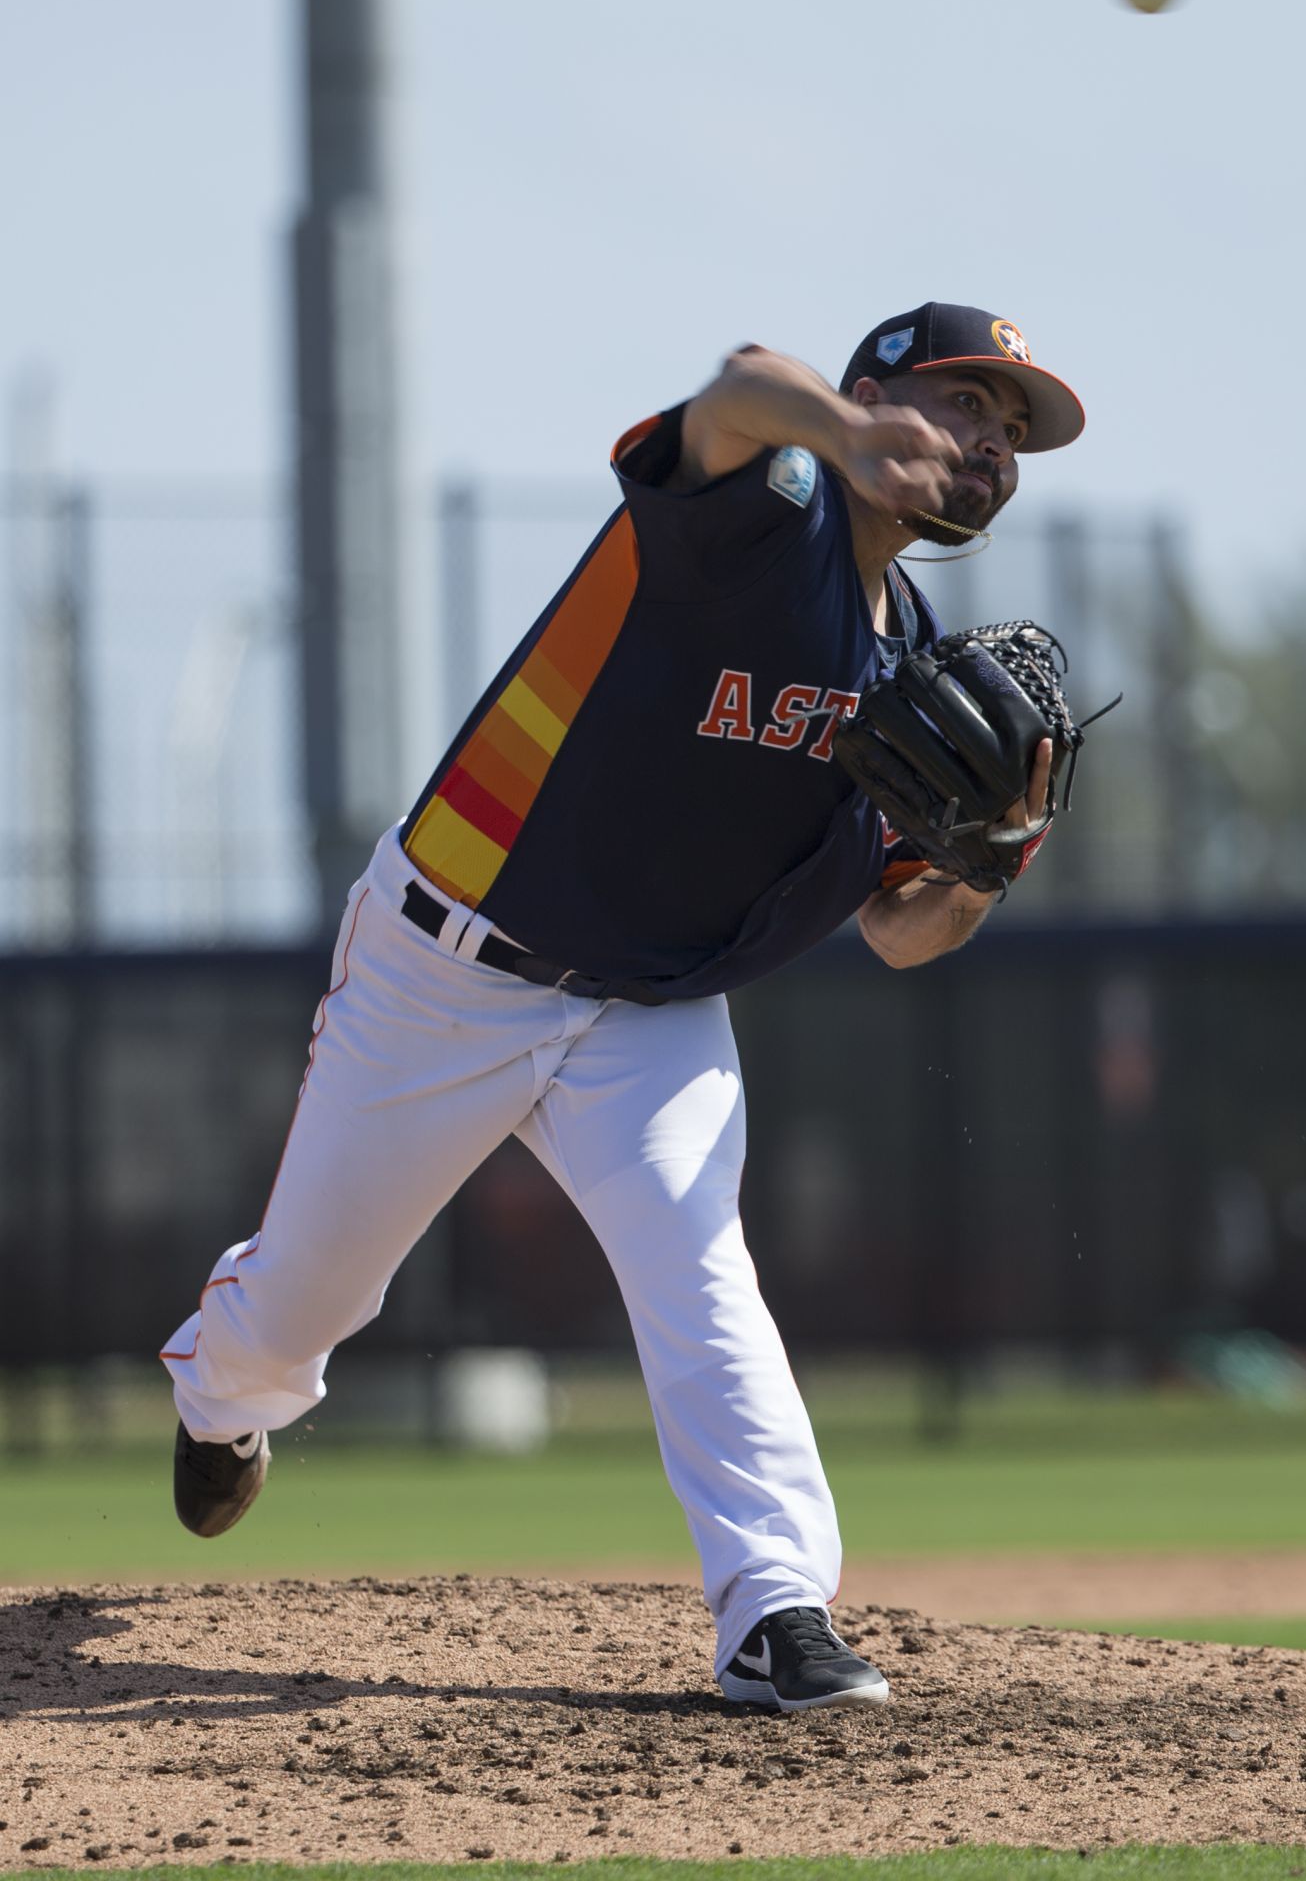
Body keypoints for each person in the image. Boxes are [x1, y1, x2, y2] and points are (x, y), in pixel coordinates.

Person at [162, 300, 1086, 1712]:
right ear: (871, 393)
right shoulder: (765, 511)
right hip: (448, 966)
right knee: (305, 1305)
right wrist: (839, 433)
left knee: (700, 1277)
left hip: (647, 1016)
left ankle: (776, 1612)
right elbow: (731, 392)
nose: (985, 441)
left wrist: (987, 866)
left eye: (1008, 431)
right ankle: (222, 1398)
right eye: (966, 402)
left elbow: (904, 936)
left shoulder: (912, 672)